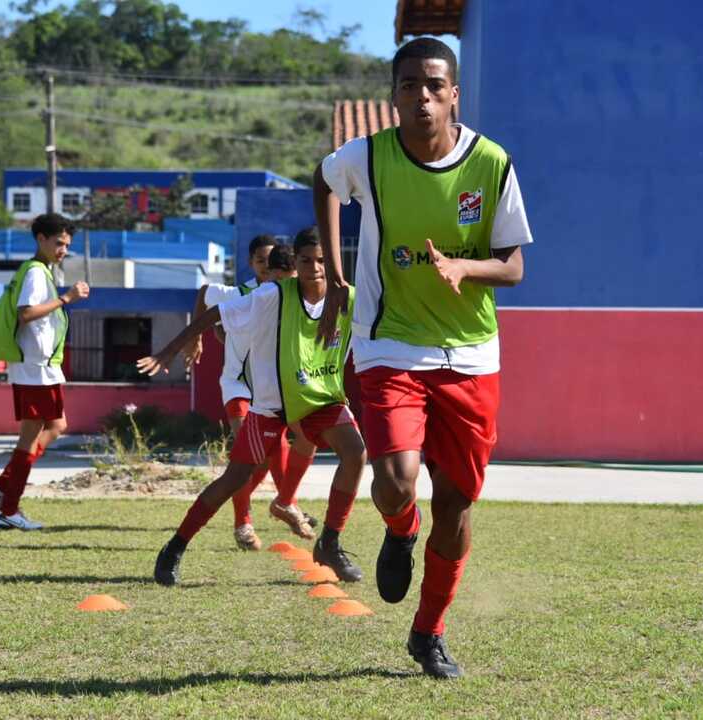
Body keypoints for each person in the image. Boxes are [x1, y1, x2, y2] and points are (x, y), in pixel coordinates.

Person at [313, 37, 533, 679]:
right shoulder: (371, 157)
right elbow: (324, 181)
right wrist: (334, 268)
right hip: (390, 343)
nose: (422, 97)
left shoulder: (492, 164)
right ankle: (400, 527)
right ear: (394, 95)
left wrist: (467, 265)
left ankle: (428, 632)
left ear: (454, 93)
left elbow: (515, 266)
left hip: (471, 356)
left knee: (459, 503)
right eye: (409, 86)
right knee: (398, 478)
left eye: (435, 85)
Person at [140, 229, 365, 586]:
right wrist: (171, 349)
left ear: (335, 260)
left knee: (355, 452)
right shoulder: (270, 295)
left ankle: (330, 543)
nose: (315, 268)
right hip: (272, 405)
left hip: (319, 400)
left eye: (322, 260)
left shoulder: (350, 297)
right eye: (307, 260)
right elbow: (212, 311)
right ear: (296, 264)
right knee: (236, 477)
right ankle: (175, 547)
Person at [185, 239, 318, 551]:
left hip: (273, 391)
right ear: (255, 263)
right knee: (252, 455)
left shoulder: (294, 298)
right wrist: (198, 338)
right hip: (237, 387)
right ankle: (246, 522)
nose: (267, 267)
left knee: (263, 458)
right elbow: (205, 293)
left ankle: (284, 502)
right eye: (261, 261)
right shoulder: (239, 293)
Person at [0, 213, 89, 530]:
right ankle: (9, 510)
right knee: (29, 438)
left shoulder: (40, 271)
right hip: (35, 368)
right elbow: (26, 313)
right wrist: (66, 298)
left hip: (41, 368)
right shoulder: (35, 273)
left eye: (67, 245)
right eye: (58, 243)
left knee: (57, 424)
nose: (63, 250)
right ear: (40, 239)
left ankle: (1, 487)